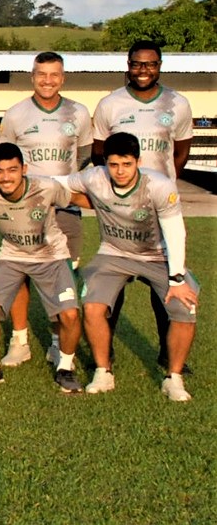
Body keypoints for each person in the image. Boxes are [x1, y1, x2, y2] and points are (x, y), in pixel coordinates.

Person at [60, 133, 200, 401]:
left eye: (126, 164)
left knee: (185, 305)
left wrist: (177, 278)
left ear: (138, 161)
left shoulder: (159, 186)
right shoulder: (94, 177)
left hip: (157, 255)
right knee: (92, 305)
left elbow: (175, 232)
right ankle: (103, 372)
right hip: (114, 253)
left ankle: (174, 378)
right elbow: (58, 182)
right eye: (113, 165)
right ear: (105, 163)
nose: (120, 171)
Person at [91, 41, 194, 372]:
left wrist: (160, 186)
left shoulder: (177, 103)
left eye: (150, 64)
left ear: (160, 65)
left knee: (163, 279)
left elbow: (180, 153)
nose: (143, 70)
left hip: (159, 207)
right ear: (128, 65)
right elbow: (97, 154)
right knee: (112, 278)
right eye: (137, 64)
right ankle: (106, 353)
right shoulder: (110, 104)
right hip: (120, 205)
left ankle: (167, 352)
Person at [0, 144, 83, 393]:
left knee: (70, 315)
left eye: (12, 170)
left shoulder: (46, 187)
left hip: (51, 255)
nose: (6, 177)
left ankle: (65, 368)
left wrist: (115, 206)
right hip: (12, 255)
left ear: (24, 169)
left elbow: (76, 198)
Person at [0, 51, 92, 367]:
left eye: (54, 74)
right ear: (32, 76)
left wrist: (61, 187)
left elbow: (83, 156)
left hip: (65, 207)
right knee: (20, 270)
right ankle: (20, 340)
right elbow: (5, 156)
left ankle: (56, 341)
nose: (47, 80)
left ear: (62, 78)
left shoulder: (79, 113)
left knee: (62, 275)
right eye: (41, 74)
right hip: (23, 208)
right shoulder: (16, 114)